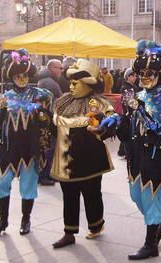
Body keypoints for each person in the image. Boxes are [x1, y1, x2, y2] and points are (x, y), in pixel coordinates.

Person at [100, 39, 161, 260]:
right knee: (136, 195)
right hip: (135, 156)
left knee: (152, 197)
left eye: (151, 72)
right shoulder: (136, 97)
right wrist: (114, 123)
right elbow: (127, 128)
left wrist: (146, 118)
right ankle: (157, 227)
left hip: (157, 159)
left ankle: (151, 244)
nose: (145, 76)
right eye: (142, 72)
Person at [0, 49, 53, 237]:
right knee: (2, 183)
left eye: (25, 75)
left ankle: (26, 219)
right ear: (12, 77)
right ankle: (3, 220)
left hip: (30, 147)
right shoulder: (4, 96)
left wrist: (42, 112)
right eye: (18, 76)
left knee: (28, 184)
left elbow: (49, 118)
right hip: (9, 148)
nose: (22, 79)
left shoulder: (41, 94)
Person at [50, 59, 115, 248]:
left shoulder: (99, 103)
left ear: (88, 85)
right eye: (70, 83)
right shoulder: (62, 101)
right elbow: (54, 127)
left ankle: (96, 225)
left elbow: (111, 124)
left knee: (92, 194)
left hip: (90, 160)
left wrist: (102, 124)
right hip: (65, 159)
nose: (71, 87)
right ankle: (69, 232)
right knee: (69, 196)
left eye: (75, 84)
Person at [37, 59, 63, 185]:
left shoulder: (46, 80)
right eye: (59, 68)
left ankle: (48, 173)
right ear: (52, 68)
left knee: (49, 147)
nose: (61, 70)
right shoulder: (50, 83)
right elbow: (54, 104)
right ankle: (44, 174)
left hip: (46, 119)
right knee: (49, 148)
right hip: (50, 120)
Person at [117, 67, 139, 157]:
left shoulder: (132, 87)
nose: (135, 78)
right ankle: (127, 152)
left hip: (132, 115)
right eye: (134, 76)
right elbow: (130, 104)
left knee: (128, 134)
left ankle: (123, 151)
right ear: (128, 76)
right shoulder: (126, 88)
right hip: (128, 115)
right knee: (128, 134)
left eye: (136, 76)